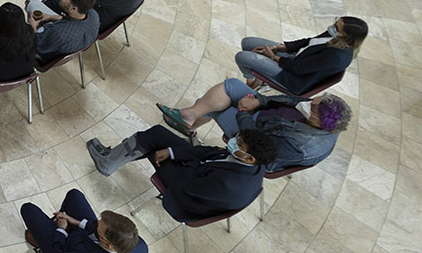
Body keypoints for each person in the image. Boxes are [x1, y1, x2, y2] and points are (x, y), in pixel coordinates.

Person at [156, 79, 352, 173]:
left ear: (318, 119)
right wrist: (260, 101)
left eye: (312, 104)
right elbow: (288, 99)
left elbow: (257, 142)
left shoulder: (300, 146)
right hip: (263, 117)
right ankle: (189, 118)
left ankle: (189, 120)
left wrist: (243, 113)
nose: (307, 102)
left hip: (253, 139)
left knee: (213, 105)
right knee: (229, 86)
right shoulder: (319, 112)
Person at [86, 125, 279, 221]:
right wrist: (173, 152)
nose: (234, 142)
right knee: (157, 134)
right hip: (200, 174)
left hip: (184, 196)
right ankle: (112, 158)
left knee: (152, 149)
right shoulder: (251, 161)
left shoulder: (229, 183)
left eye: (239, 143)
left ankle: (108, 162)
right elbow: (210, 151)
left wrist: (175, 157)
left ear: (249, 158)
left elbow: (188, 184)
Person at [20, 190, 147, 253]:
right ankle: (55, 224)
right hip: (87, 252)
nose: (95, 224)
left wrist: (62, 230)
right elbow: (97, 228)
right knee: (75, 196)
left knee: (28, 209)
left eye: (98, 228)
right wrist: (76, 222)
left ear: (108, 245)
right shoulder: (139, 245)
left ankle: (43, 236)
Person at [234, 17, 368, 94]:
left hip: (293, 77)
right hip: (295, 57)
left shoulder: (337, 56)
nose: (332, 27)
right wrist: (278, 47)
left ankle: (251, 81)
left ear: (346, 36)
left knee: (242, 57)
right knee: (248, 43)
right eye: (335, 23)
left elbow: (298, 68)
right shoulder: (335, 35)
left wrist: (273, 57)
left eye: (336, 27)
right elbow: (309, 41)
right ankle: (259, 79)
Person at [25, 0, 99, 60]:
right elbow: (73, 21)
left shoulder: (58, 33)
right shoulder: (94, 15)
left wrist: (32, 26)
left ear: (73, 9)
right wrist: (50, 17)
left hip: (44, 53)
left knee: (33, 4)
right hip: (72, 42)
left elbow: (36, 44)